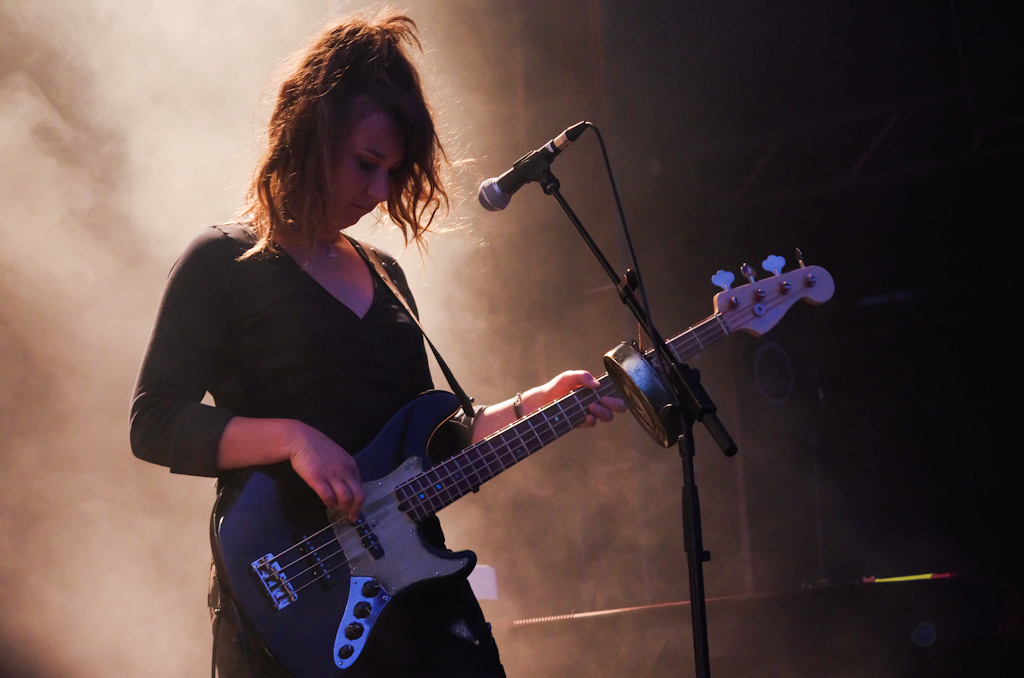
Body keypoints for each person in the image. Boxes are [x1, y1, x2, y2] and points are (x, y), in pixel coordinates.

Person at [129, 10, 624, 678]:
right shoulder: (222, 261)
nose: (379, 191)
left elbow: (427, 445)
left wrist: (533, 406)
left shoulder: (385, 275)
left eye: (392, 171)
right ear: (309, 134)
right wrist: (293, 439)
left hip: (414, 601)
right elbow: (155, 420)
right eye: (366, 164)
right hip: (292, 599)